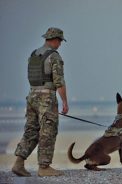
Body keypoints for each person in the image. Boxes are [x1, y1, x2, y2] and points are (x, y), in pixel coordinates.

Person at [12, 27, 69, 177]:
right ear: (55, 39)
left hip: (32, 96)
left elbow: (32, 77)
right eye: (60, 41)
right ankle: (44, 167)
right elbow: (59, 82)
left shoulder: (34, 54)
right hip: (46, 98)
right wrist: (64, 102)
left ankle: (18, 163)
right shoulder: (54, 56)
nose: (60, 44)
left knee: (31, 130)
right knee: (48, 131)